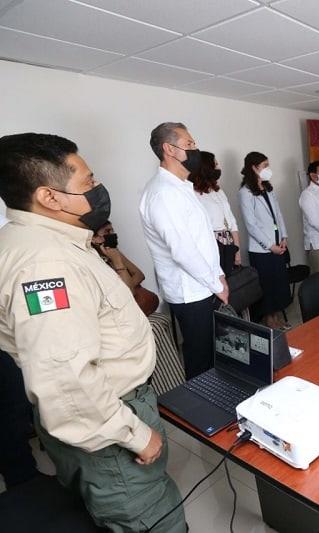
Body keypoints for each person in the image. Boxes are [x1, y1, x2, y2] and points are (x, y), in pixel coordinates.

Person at [0, 133, 185, 531]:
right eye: (88, 181)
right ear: (50, 197)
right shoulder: (46, 265)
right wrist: (135, 434)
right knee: (153, 517)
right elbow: (65, 381)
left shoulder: (44, 243)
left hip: (100, 418)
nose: (98, 188)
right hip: (110, 426)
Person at [140, 122, 228, 380]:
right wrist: (217, 283)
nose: (195, 149)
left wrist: (218, 275)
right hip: (191, 291)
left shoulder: (182, 187)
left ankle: (217, 403)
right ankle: (204, 416)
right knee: (201, 360)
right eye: (189, 144)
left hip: (204, 284)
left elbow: (202, 241)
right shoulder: (163, 193)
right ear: (169, 149)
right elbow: (183, 251)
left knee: (214, 353)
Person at [238, 151, 291, 329]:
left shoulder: (268, 188)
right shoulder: (245, 192)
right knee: (267, 286)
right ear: (254, 168)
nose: (268, 169)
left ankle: (276, 316)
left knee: (278, 284)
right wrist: (270, 246)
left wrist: (284, 237)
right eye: (265, 166)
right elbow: (251, 225)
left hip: (278, 245)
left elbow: (278, 214)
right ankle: (269, 320)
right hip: (262, 250)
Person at [189, 150, 241, 276]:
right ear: (206, 168)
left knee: (232, 282)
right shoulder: (192, 194)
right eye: (215, 164)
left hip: (228, 242)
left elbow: (231, 222)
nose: (218, 167)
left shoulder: (218, 191)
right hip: (212, 244)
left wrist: (237, 250)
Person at [92, 221, 159, 316]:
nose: (112, 234)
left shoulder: (114, 251)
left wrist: (124, 287)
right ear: (94, 238)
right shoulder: (92, 260)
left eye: (112, 231)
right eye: (107, 231)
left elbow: (139, 275)